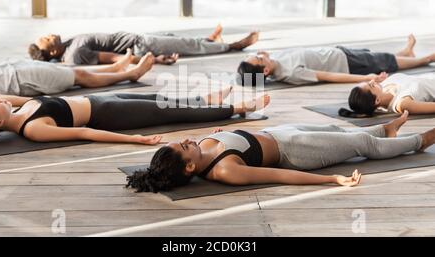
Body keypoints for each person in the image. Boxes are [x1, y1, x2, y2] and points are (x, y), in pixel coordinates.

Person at [127, 111, 435, 192]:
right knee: (361, 146)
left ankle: (386, 129)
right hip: (297, 151)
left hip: (279, 133)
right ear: (190, 167)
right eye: (183, 147)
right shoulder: (225, 170)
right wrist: (332, 181)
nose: (186, 141)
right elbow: (282, 175)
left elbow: (230, 138)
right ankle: (419, 141)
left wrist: (221, 134)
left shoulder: (202, 147)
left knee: (341, 131)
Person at [0, 86, 270, 145]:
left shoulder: (21, 107)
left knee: (159, 98)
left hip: (99, 99)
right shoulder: (33, 128)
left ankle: (204, 100)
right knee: (169, 111)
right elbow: (85, 133)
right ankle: (240, 108)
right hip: (108, 115)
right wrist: (134, 139)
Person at [237, 34, 435, 86]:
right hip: (348, 63)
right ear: (264, 71)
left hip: (339, 52)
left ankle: (405, 52)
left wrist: (264, 57)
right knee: (385, 61)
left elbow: (257, 68)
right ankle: (425, 58)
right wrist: (365, 78)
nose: (261, 54)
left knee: (381, 57)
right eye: (258, 57)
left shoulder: (273, 62)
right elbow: (329, 76)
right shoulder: (291, 72)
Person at [28, 24, 259, 66]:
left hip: (138, 38)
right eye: (47, 39)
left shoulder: (68, 46)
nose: (49, 35)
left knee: (175, 37)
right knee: (187, 44)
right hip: (140, 46)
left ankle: (209, 40)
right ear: (52, 51)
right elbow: (115, 58)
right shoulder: (75, 54)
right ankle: (232, 47)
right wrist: (154, 60)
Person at [0, 50, 154, 96]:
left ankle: (112, 68)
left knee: (69, 70)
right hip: (17, 80)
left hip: (10, 68)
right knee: (79, 77)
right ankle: (131, 74)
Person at [340, 72, 435, 117]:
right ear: (377, 100)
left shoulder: (383, 86)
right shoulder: (402, 103)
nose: (373, 81)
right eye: (371, 85)